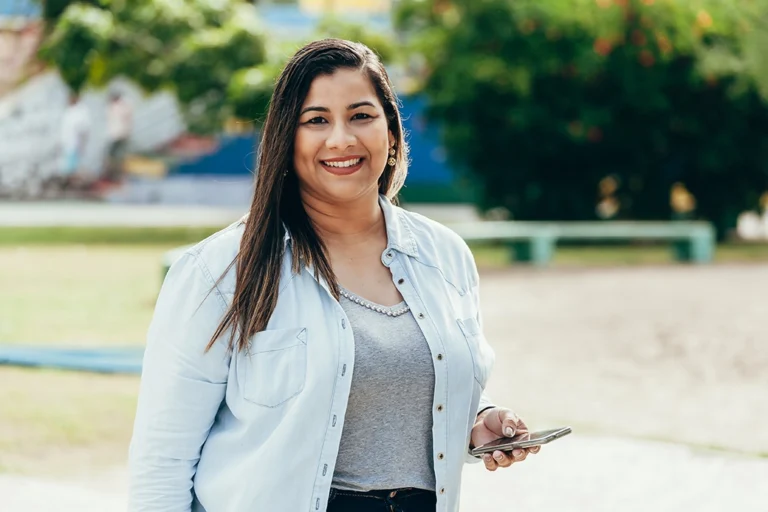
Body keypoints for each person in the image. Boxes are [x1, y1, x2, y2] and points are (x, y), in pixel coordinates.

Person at [128, 39, 538, 512]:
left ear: (391, 131)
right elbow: (163, 458)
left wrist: (478, 418)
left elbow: (409, 381)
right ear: (287, 137)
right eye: (316, 120)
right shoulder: (221, 271)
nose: (341, 138)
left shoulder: (445, 256)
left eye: (361, 115)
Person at [58, 92, 90, 189]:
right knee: (69, 162)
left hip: (74, 142)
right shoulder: (69, 112)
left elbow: (82, 128)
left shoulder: (78, 112)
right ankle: (69, 181)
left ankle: (71, 181)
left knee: (72, 163)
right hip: (69, 142)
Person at [104, 91, 133, 182]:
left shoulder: (120, 106)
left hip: (118, 135)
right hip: (117, 135)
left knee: (115, 156)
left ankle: (116, 175)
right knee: (115, 156)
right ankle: (115, 174)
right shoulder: (118, 106)